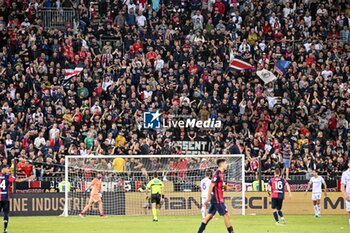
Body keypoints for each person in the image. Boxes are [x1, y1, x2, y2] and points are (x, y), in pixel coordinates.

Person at [197, 159, 235, 233]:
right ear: (222, 164)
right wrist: (208, 198)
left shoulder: (220, 174)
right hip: (217, 199)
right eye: (225, 163)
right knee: (226, 215)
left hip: (216, 199)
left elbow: (223, 186)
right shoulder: (217, 174)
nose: (226, 165)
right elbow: (211, 186)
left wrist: (231, 187)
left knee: (209, 216)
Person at [0, 165, 34, 233]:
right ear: (3, 169)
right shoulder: (8, 176)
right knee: (6, 213)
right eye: (7, 168)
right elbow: (18, 180)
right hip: (5, 198)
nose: (8, 169)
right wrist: (28, 178)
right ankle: (5, 229)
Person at [341, 160, 350, 225]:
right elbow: (342, 186)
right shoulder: (345, 173)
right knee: (349, 212)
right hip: (348, 195)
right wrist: (345, 195)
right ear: (348, 164)